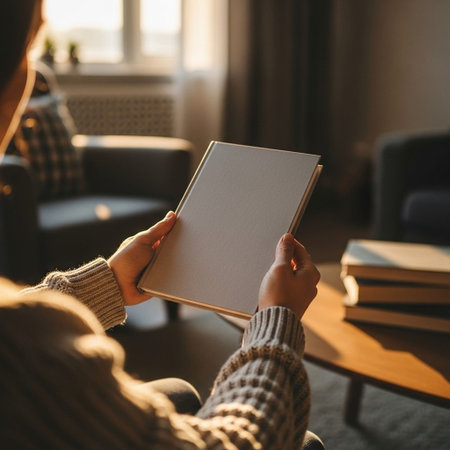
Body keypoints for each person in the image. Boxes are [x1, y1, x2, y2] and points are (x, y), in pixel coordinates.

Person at [0, 1, 323, 448]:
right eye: (29, 52)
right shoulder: (25, 351)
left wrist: (108, 282)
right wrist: (276, 322)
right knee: (307, 444)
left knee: (182, 393)